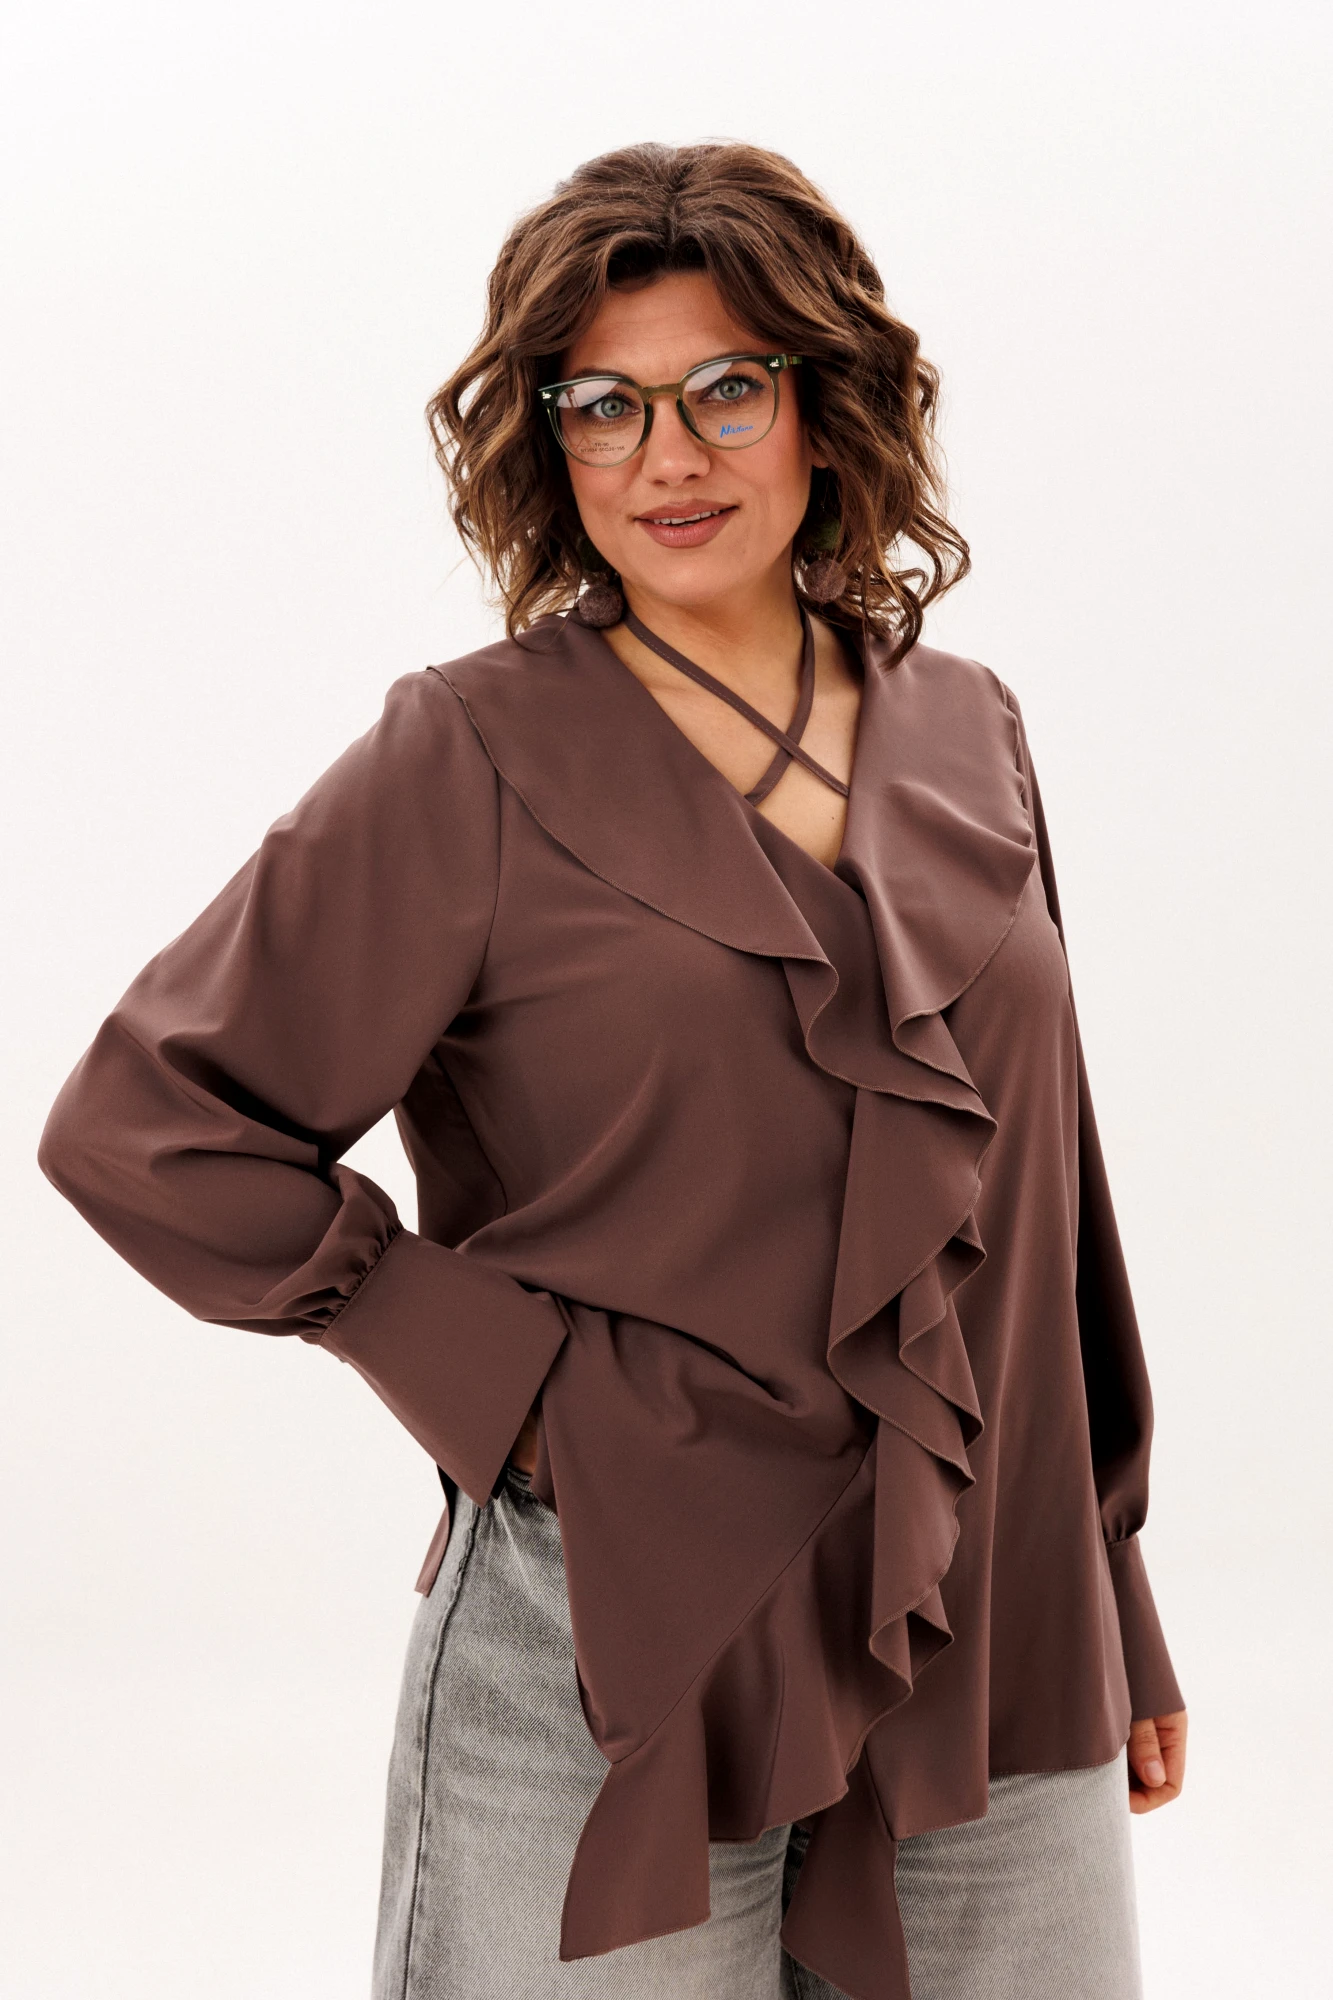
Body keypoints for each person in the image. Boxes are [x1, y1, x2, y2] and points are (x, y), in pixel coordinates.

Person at [38, 141, 1187, 2000]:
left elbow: (1053, 1193)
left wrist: (1114, 1581)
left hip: (995, 1642)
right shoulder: (466, 755)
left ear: (826, 405)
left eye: (727, 386)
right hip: (610, 1649)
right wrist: (504, 1385)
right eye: (605, 404)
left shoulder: (972, 726)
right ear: (548, 443)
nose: (670, 456)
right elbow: (144, 1128)